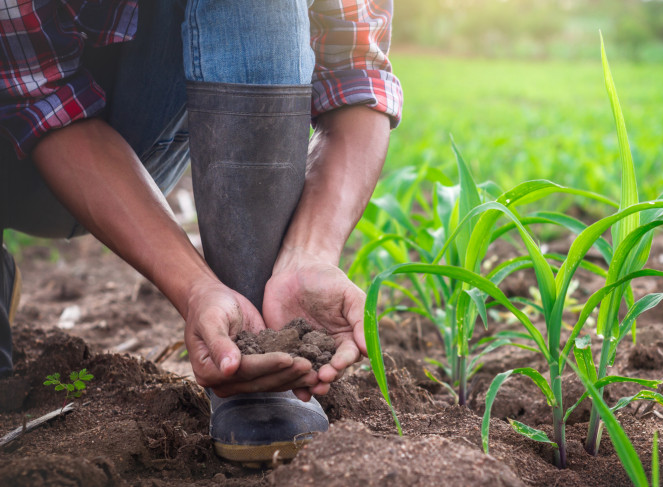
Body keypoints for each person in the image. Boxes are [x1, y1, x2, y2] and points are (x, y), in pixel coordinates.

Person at [0, 0, 402, 465]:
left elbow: (357, 74)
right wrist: (192, 289)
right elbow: (39, 100)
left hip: (131, 133)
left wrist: (307, 254)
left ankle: (249, 330)